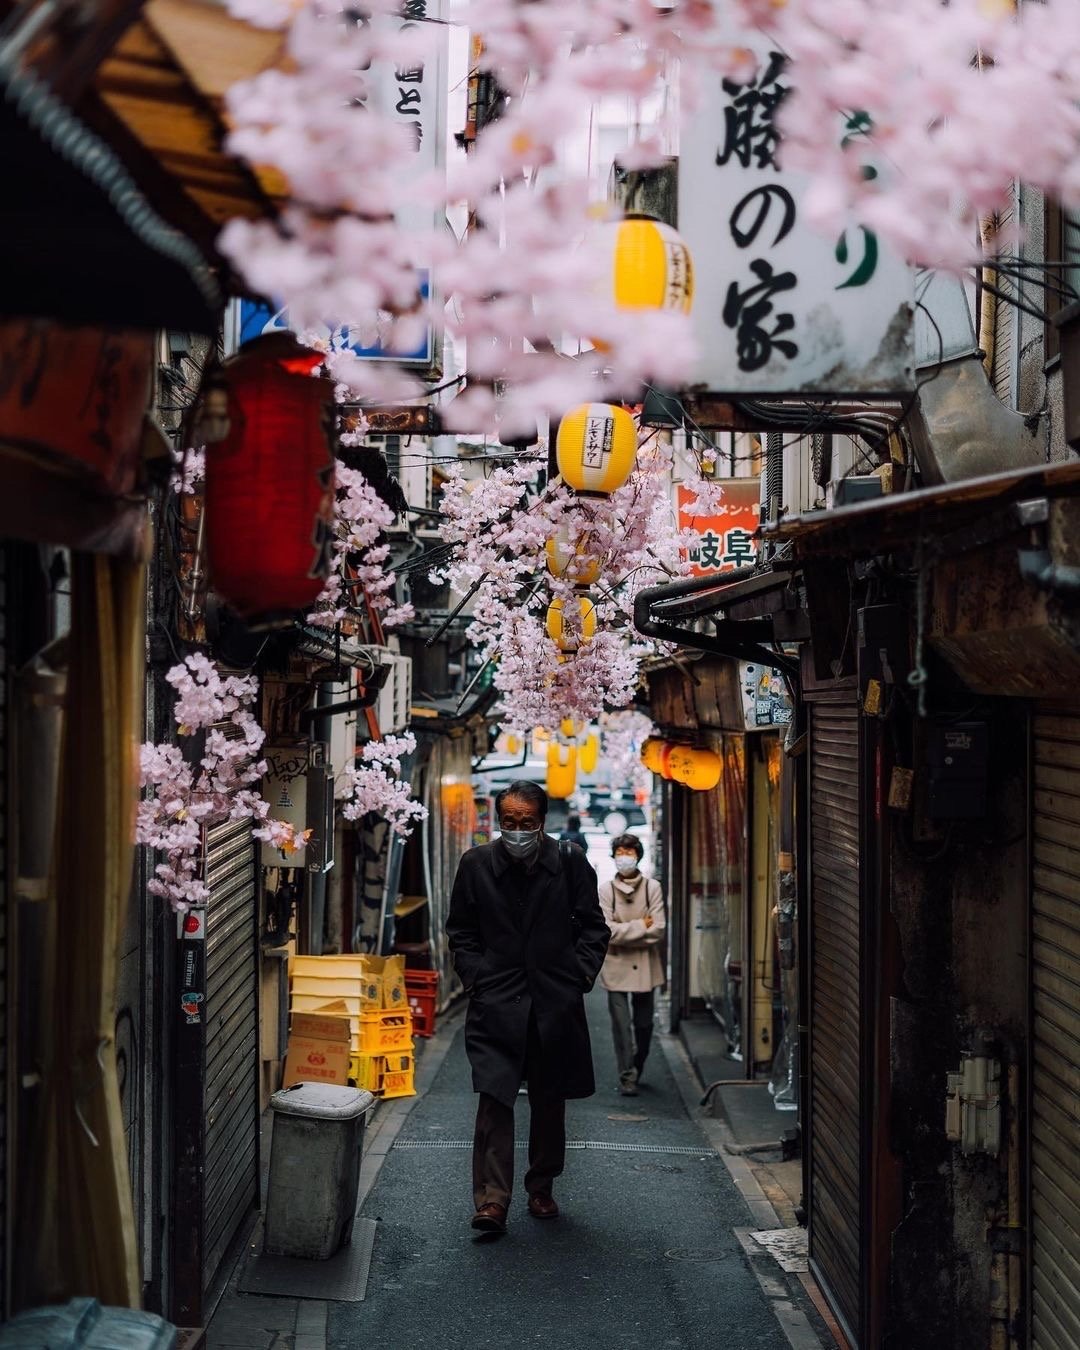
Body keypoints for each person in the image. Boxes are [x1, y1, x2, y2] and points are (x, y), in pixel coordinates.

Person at [446, 780, 610, 1235]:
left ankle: (542, 1185)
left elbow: (594, 928)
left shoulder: (571, 862)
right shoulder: (476, 865)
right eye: (510, 823)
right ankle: (492, 1200)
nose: (517, 831)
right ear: (500, 822)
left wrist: (576, 976)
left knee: (548, 1099)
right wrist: (477, 977)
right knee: (494, 1099)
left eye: (527, 823)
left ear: (543, 823)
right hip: (496, 1001)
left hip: (553, 1003)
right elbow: (461, 930)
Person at [598, 833, 666, 1096]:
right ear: (614, 856)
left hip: (645, 967)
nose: (624, 857)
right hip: (615, 967)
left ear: (638, 855)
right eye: (620, 853)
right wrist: (641, 926)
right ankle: (627, 1075)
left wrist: (622, 931)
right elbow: (606, 931)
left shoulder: (652, 888)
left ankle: (637, 1064)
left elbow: (659, 929)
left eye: (629, 852)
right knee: (621, 1025)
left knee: (644, 1025)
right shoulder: (606, 890)